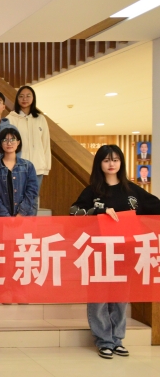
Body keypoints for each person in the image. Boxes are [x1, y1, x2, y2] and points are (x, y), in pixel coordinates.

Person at [70, 144, 160, 359]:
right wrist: (100, 210)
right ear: (99, 164)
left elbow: (155, 207)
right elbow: (73, 211)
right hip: (98, 253)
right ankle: (103, 340)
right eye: (106, 160)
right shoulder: (92, 191)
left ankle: (117, 339)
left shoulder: (132, 190)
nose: (111, 164)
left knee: (120, 297)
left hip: (124, 253)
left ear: (121, 163)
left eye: (116, 159)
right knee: (99, 297)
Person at [6, 85, 51, 205]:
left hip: (37, 167)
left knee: (33, 199)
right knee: (17, 199)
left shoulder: (40, 118)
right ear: (17, 99)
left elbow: (45, 143)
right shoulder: (10, 119)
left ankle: (32, 219)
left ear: (33, 98)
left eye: (28, 96)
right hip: (17, 166)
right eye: (21, 96)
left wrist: (46, 166)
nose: (24, 99)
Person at [0, 128, 38, 217]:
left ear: (18, 142)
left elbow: (32, 191)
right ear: (0, 143)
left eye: (12, 139)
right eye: (5, 140)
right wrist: (6, 217)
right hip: (1, 218)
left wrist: (21, 213)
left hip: (25, 216)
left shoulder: (28, 166)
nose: (9, 143)